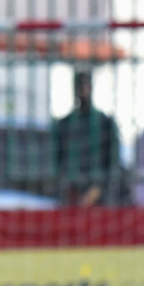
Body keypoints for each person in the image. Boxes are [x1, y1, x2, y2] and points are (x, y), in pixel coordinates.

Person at [52, 69, 121, 207]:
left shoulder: (105, 123)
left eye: (86, 85)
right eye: (79, 85)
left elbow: (113, 164)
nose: (83, 89)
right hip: (71, 197)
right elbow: (57, 163)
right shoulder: (64, 125)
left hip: (101, 197)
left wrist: (95, 192)